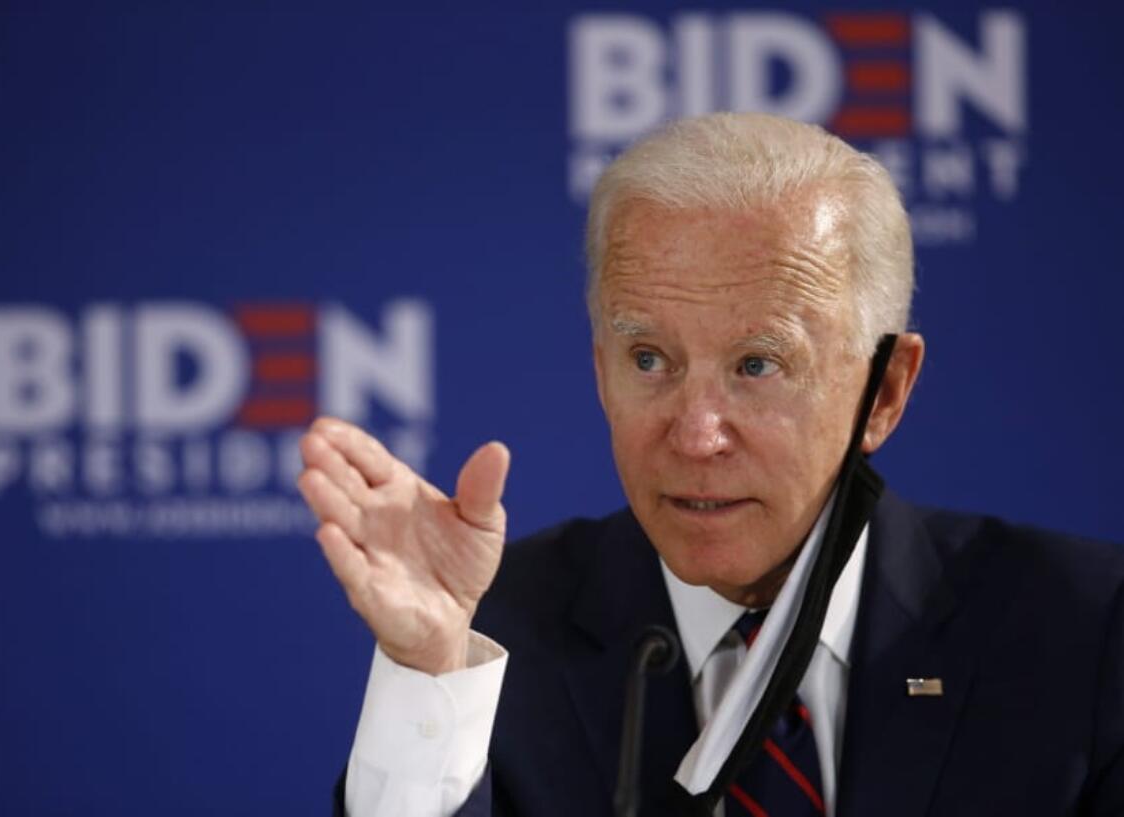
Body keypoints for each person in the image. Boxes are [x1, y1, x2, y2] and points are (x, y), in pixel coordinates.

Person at [298, 113, 1124, 816]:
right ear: (600, 370)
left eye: (757, 364)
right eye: (650, 359)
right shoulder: (489, 637)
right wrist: (428, 677)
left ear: (885, 391)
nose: (695, 436)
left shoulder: (1082, 635)